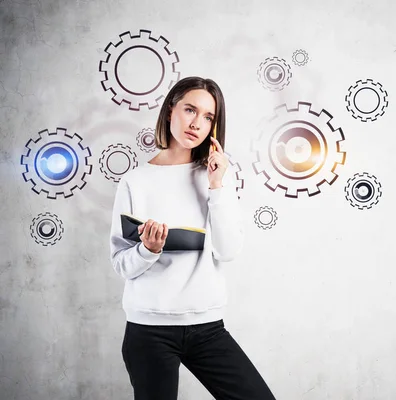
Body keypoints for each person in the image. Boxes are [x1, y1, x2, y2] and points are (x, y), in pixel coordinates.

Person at [109, 76, 276, 400]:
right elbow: (121, 265)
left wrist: (216, 185)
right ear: (171, 109)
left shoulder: (217, 176)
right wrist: (147, 249)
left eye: (208, 117)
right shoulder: (135, 181)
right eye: (190, 109)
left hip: (207, 327)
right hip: (148, 330)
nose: (196, 123)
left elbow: (227, 251)